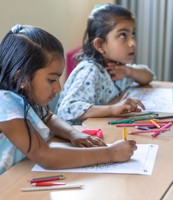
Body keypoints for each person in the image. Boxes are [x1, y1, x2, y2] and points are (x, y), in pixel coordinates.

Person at [0, 24, 137, 175]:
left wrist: (73, 133)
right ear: (21, 78)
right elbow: (46, 157)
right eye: (52, 80)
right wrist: (110, 153)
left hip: (21, 172)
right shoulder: (5, 103)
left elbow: (48, 118)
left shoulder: (25, 94)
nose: (58, 88)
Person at [56, 3, 155, 125]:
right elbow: (66, 109)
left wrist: (129, 71)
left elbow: (148, 76)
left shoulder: (118, 67)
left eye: (132, 34)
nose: (132, 43)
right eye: (123, 35)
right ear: (100, 45)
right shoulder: (90, 71)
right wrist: (112, 109)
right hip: (75, 137)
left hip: (99, 129)